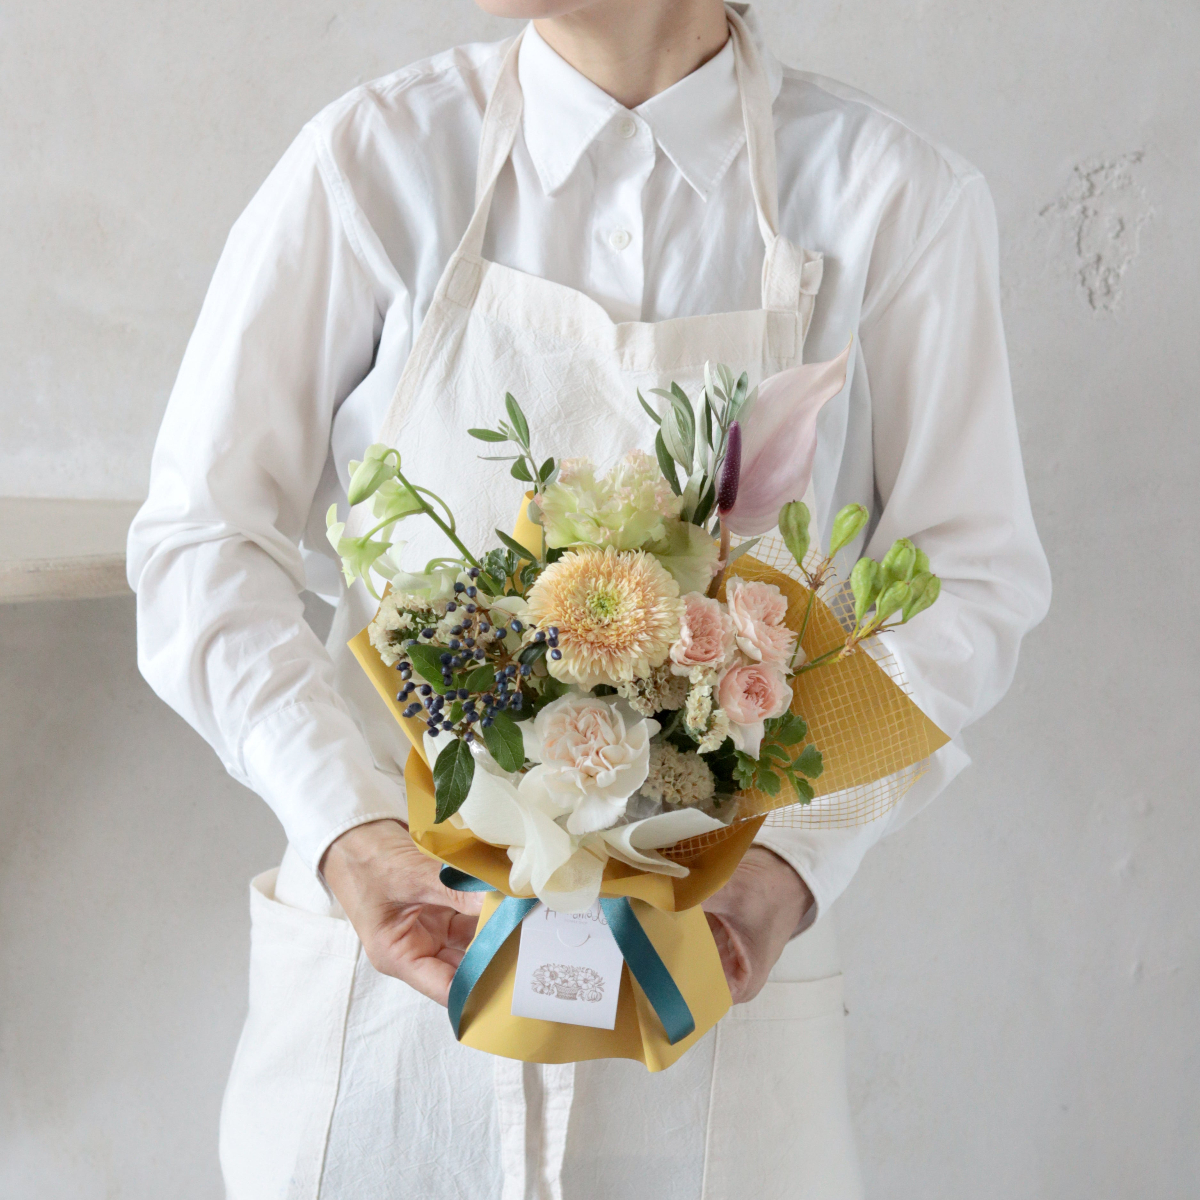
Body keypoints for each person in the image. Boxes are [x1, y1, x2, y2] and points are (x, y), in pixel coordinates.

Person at [127, 1, 1050, 1196]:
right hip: (394, 996)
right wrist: (348, 830)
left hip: (708, 1005)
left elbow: (970, 582)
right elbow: (204, 538)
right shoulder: (376, 162)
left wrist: (789, 864)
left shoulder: (892, 198)